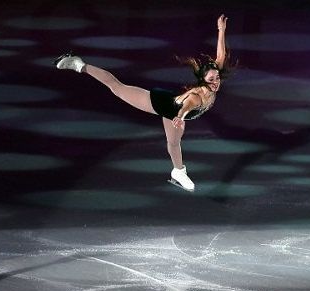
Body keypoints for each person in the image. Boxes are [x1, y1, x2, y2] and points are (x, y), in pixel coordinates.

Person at [55, 14, 230, 191]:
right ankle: (78, 64)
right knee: (117, 87)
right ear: (202, 80)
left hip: (172, 108)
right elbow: (187, 106)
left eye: (217, 78)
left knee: (174, 143)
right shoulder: (198, 96)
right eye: (212, 79)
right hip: (160, 103)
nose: (216, 82)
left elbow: (221, 56)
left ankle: (178, 171)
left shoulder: (213, 78)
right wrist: (180, 117)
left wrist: (221, 30)